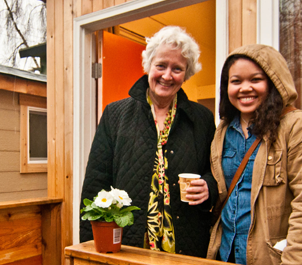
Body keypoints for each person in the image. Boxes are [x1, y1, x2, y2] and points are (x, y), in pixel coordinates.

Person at [80, 26, 218, 258]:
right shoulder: (115, 114)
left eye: (177, 69)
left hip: (187, 244)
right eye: (161, 65)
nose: (167, 75)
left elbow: (216, 173)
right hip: (128, 243)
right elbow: (96, 182)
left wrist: (208, 188)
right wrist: (90, 249)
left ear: (186, 74)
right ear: (148, 66)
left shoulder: (201, 118)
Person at [207, 44, 302, 264]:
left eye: (255, 79)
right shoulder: (223, 131)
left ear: (274, 83)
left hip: (277, 258)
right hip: (226, 253)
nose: (245, 88)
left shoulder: (299, 127)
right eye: (236, 81)